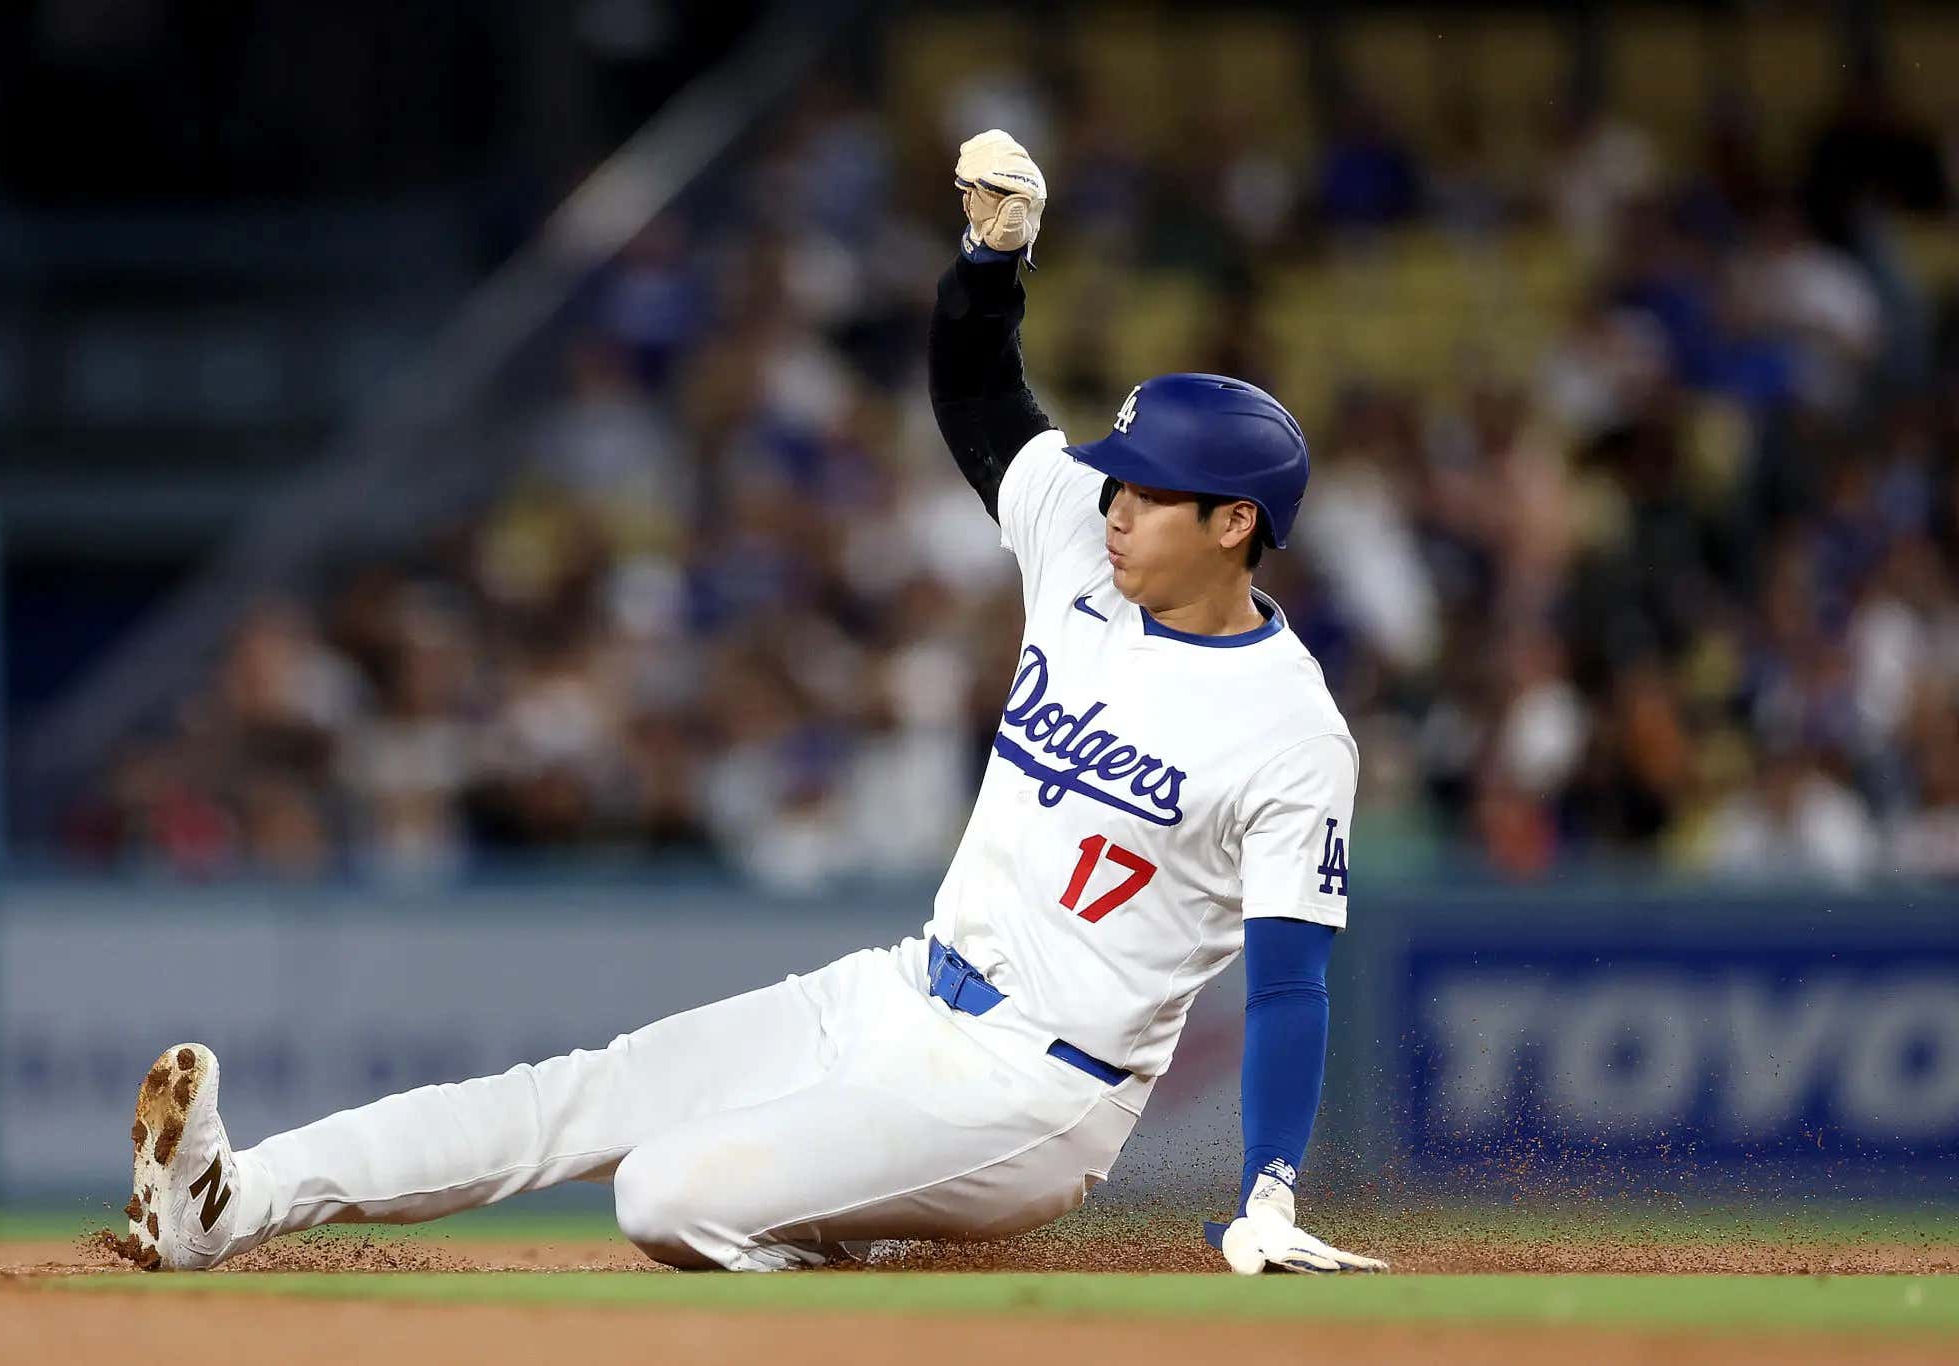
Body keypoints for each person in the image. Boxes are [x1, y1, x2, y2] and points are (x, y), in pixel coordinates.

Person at [116, 130, 1384, 1277]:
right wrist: (990, 264)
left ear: (1235, 523)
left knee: (665, 1197)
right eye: (1111, 479)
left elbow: (1285, 987)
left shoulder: (1285, 731)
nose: (1111, 503)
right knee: (586, 1094)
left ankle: (854, 1285)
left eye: (1148, 494)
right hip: (904, 991)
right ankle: (235, 1199)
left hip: (1040, 1089)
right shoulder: (1081, 551)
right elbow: (981, 398)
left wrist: (1264, 1191)